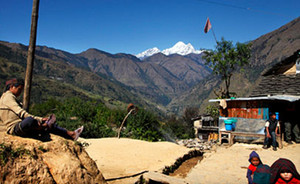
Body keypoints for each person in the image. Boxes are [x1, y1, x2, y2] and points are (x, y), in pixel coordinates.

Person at [0, 78, 83, 140]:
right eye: (19, 89)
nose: (20, 92)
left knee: (45, 123)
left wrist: (40, 119)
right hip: (16, 127)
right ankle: (44, 126)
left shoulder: (7, 98)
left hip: (19, 126)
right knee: (29, 120)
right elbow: (22, 113)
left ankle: (70, 134)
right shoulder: (8, 97)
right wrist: (39, 119)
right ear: (11, 87)